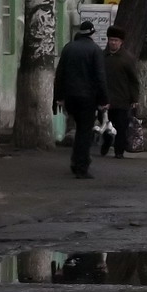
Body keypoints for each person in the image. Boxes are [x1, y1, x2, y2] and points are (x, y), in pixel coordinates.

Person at [54, 19, 108, 179]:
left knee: (78, 129)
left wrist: (59, 97)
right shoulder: (95, 50)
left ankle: (75, 161)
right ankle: (81, 166)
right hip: (87, 98)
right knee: (85, 132)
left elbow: (60, 74)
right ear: (92, 33)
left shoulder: (68, 48)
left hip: (70, 98)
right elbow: (100, 77)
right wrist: (104, 99)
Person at [102, 25, 140, 159]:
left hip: (122, 99)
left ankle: (119, 151)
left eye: (116, 40)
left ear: (121, 42)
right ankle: (106, 142)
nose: (113, 43)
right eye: (111, 40)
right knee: (105, 126)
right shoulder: (103, 57)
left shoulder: (127, 58)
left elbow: (134, 80)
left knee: (121, 127)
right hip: (105, 98)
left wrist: (134, 99)